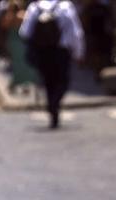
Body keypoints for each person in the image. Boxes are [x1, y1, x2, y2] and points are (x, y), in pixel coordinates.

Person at [20, 0, 84, 129]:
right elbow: (75, 32)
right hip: (61, 51)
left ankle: (51, 106)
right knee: (63, 81)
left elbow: (25, 32)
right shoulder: (65, 7)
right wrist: (79, 53)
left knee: (49, 81)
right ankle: (54, 104)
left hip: (43, 52)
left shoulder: (35, 7)